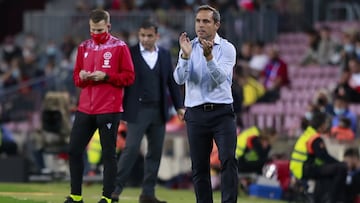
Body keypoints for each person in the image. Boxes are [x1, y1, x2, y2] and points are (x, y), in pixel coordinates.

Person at [64, 9, 135, 203]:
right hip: (85, 108)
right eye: (92, 30)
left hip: (109, 109)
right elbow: (76, 78)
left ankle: (107, 197)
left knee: (108, 154)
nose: (95, 34)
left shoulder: (120, 47)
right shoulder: (83, 47)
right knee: (74, 150)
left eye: (99, 30)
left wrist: (107, 77)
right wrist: (82, 77)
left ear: (108, 27)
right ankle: (76, 196)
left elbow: (129, 77)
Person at [111, 20, 184, 203]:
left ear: (157, 36)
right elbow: (120, 81)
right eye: (142, 35)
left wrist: (179, 106)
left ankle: (148, 194)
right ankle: (113, 190)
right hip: (138, 110)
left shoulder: (165, 55)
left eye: (149, 35)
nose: (145, 39)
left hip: (158, 110)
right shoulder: (130, 53)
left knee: (155, 152)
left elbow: (171, 83)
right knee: (131, 149)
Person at [173, 5, 238, 203]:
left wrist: (209, 57)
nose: (200, 25)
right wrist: (184, 56)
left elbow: (220, 79)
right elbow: (178, 79)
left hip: (222, 113)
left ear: (216, 24)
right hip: (196, 114)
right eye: (198, 21)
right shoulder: (188, 47)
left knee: (227, 159)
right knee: (199, 167)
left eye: (206, 21)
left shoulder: (227, 48)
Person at [289, 112, 348, 203]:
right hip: (305, 168)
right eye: (326, 123)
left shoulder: (307, 134)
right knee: (341, 168)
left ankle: (321, 198)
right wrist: (341, 163)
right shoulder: (315, 138)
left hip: (299, 168)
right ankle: (334, 199)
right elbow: (323, 156)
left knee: (329, 171)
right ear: (322, 125)